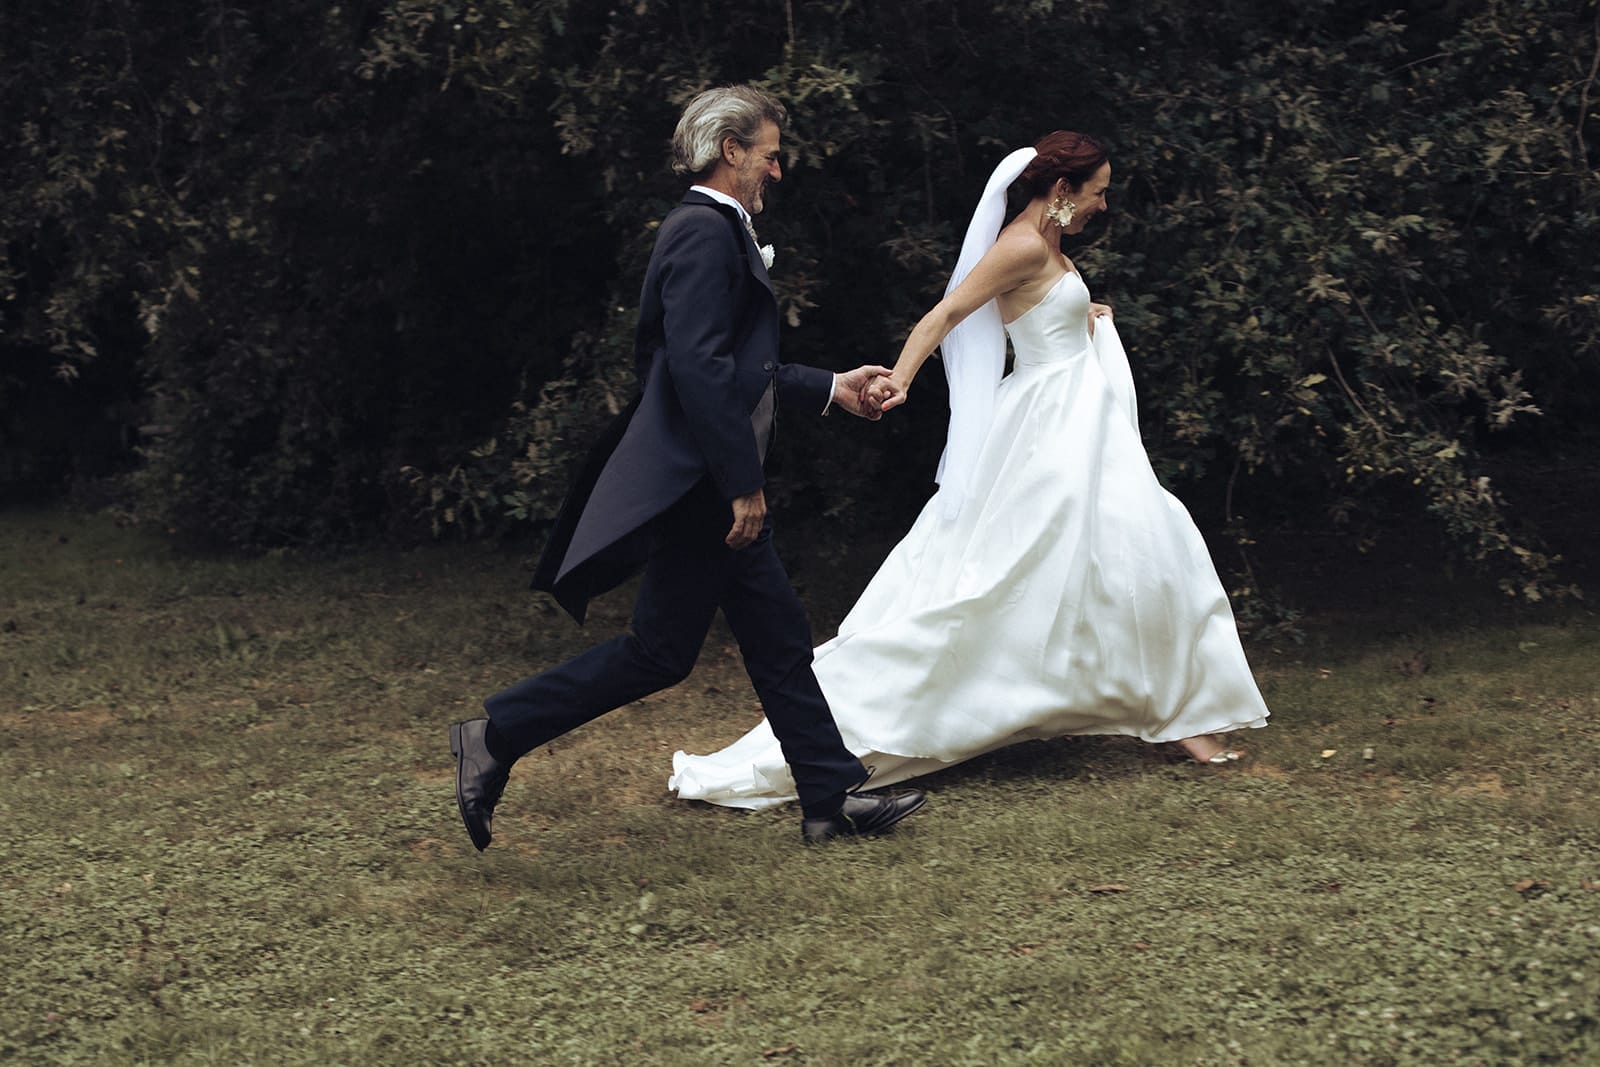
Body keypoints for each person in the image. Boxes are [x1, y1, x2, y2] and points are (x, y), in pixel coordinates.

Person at [669, 131, 1270, 809]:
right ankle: (903, 716)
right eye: (1099, 190)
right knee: (1014, 577)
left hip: (1084, 425)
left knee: (1148, 551)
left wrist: (1088, 315)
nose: (1106, 203)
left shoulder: (1050, 243)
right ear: (1064, 190)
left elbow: (1046, 314)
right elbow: (950, 311)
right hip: (1050, 434)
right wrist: (898, 379)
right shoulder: (1019, 243)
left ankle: (1178, 716)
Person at [449, 86, 928, 849]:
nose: (777, 169)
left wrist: (834, 388)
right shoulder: (704, 233)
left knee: (772, 635)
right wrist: (741, 482)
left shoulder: (712, 231)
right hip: (706, 484)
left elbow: (737, 367)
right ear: (731, 151)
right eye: (770, 154)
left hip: (707, 479)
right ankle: (496, 731)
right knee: (663, 653)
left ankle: (829, 800)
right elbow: (700, 371)